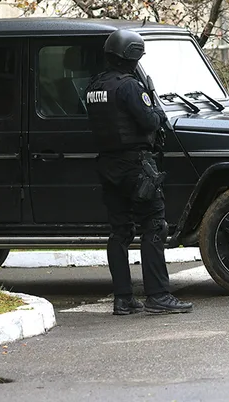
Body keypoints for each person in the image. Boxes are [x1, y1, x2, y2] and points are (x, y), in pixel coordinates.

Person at [85, 29, 193, 315]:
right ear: (132, 55)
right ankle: (158, 295)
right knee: (154, 226)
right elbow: (148, 122)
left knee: (119, 232)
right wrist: (157, 111)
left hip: (109, 166)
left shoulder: (95, 86)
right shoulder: (130, 86)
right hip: (136, 166)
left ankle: (123, 299)